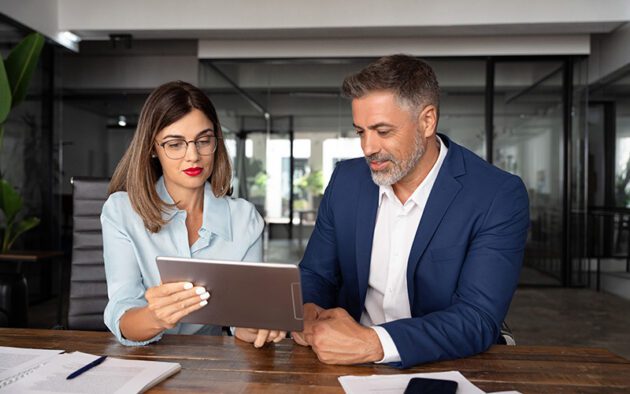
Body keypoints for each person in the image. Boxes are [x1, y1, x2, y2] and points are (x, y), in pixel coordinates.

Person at [293, 55, 529, 368]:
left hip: (448, 364)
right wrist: (307, 308)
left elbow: (477, 317)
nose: (367, 148)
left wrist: (374, 343)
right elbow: (316, 273)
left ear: (427, 121)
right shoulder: (346, 181)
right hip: (344, 363)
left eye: (383, 131)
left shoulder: (496, 195)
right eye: (360, 131)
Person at [102, 81, 284, 347]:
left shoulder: (245, 219)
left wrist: (251, 328)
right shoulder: (121, 212)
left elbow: (242, 316)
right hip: (143, 360)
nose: (193, 156)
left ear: (216, 142)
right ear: (153, 148)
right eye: (175, 144)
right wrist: (157, 317)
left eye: (203, 141)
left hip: (212, 367)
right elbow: (122, 310)